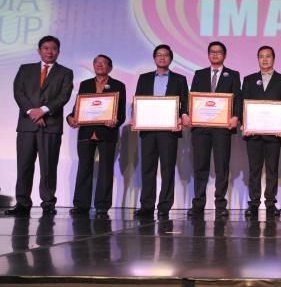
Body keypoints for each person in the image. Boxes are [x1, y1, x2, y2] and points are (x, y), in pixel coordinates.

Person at [6, 35, 74, 216]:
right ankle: (22, 203)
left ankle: (48, 203)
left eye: (53, 49)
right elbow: (18, 92)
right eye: (46, 48)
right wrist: (32, 112)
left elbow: (64, 96)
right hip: (27, 125)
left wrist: (43, 110)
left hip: (50, 126)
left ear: (58, 52)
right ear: (39, 51)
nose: (50, 52)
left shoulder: (65, 72)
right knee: (24, 165)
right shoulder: (25, 69)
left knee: (48, 166)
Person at [66, 55, 126, 216]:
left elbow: (121, 113)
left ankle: (102, 205)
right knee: (84, 168)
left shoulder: (118, 85)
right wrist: (70, 117)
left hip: (107, 132)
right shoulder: (85, 84)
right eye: (96, 62)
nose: (99, 65)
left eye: (103, 63)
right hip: (86, 132)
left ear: (110, 67)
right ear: (93, 66)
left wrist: (116, 121)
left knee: (106, 169)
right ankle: (81, 205)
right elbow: (77, 108)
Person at [134, 44, 189, 218]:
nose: (162, 57)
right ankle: (147, 205)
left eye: (165, 55)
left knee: (167, 168)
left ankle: (164, 205)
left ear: (170, 59)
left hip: (168, 130)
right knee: (147, 168)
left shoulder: (179, 79)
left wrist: (183, 116)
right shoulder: (144, 78)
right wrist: (136, 117)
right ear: (154, 58)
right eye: (159, 54)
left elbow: (185, 103)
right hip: (148, 129)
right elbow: (138, 101)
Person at [187, 41, 241, 218]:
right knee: (200, 166)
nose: (215, 54)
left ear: (224, 55)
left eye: (219, 52)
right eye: (212, 52)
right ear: (208, 54)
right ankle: (198, 204)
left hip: (222, 129)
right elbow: (193, 98)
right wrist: (190, 114)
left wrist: (236, 116)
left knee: (221, 167)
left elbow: (237, 99)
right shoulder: (199, 74)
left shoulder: (233, 74)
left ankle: (220, 204)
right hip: (201, 128)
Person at [239, 45, 281, 217]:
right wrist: (244, 124)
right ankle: (253, 203)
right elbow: (242, 103)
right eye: (261, 56)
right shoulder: (249, 79)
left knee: (272, 169)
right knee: (254, 169)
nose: (265, 59)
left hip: (274, 134)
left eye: (268, 56)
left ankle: (270, 203)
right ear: (258, 59)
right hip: (253, 134)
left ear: (273, 59)